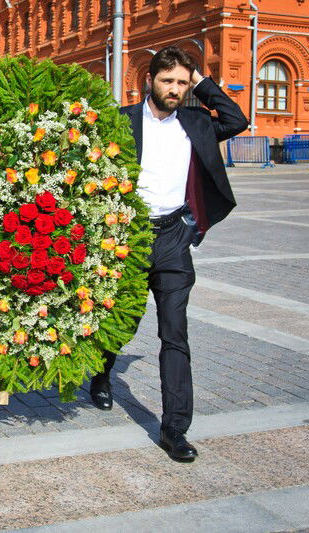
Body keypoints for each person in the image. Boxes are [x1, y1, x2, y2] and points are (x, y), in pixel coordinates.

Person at [89, 46, 248, 462]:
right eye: (168, 81)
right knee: (120, 318)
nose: (175, 89)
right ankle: (102, 374)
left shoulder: (195, 122)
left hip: (174, 237)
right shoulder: (121, 121)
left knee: (174, 333)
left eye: (182, 82)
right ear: (149, 81)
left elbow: (237, 119)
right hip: (128, 238)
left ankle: (174, 428)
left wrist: (200, 82)